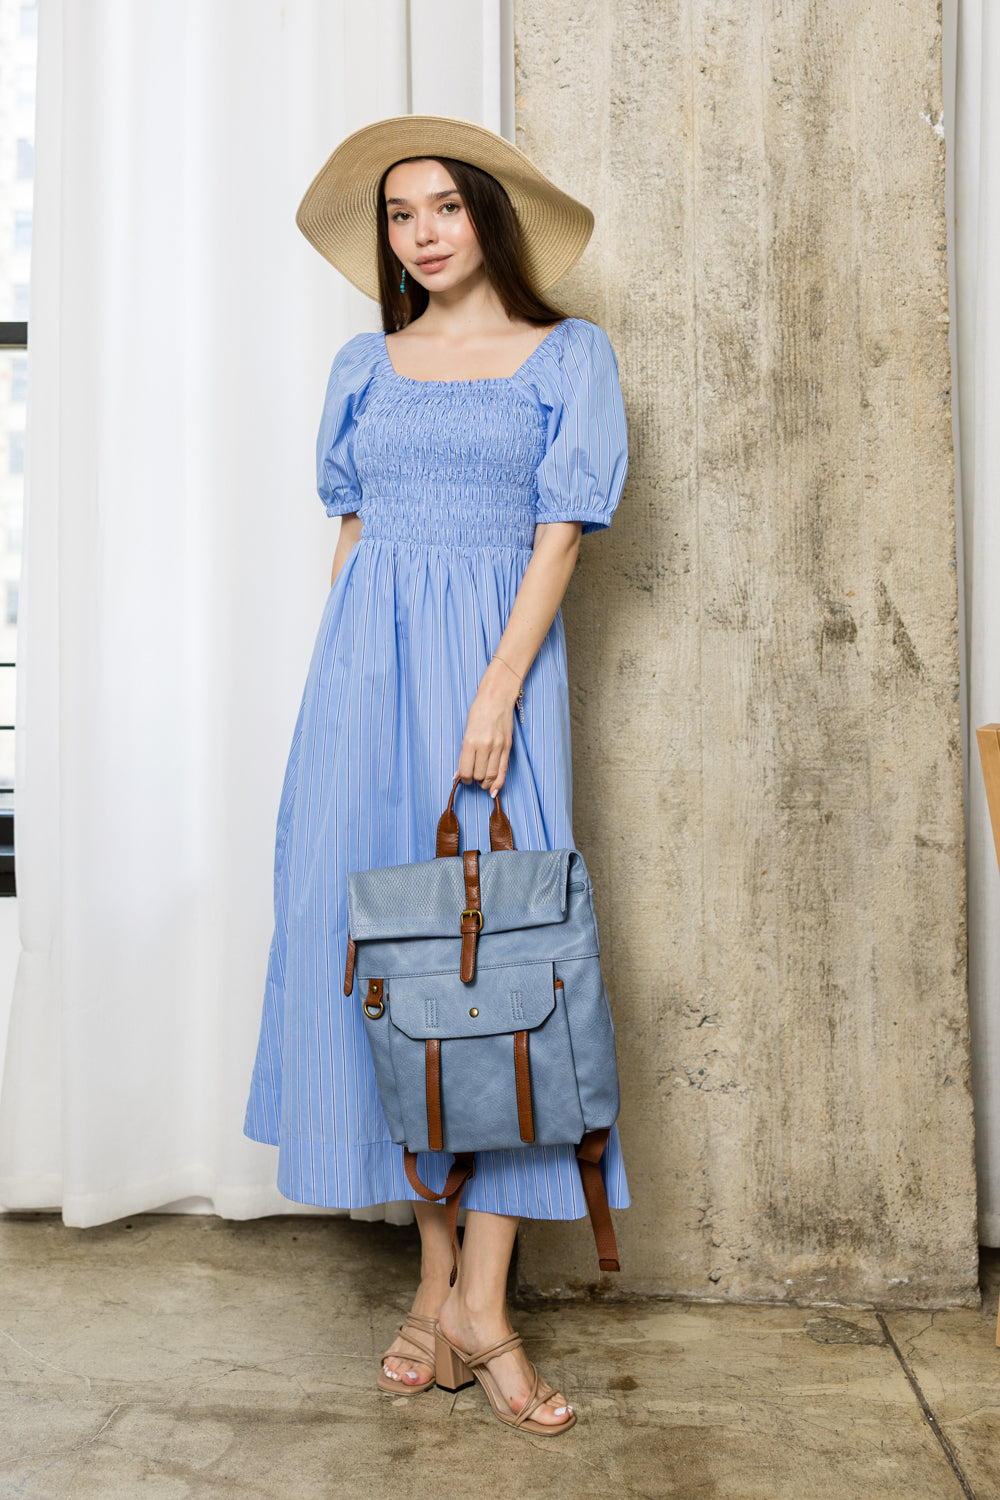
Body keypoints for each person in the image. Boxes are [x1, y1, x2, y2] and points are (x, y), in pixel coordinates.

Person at [244, 116, 629, 1435]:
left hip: (493, 685)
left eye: (446, 208)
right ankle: (434, 1285)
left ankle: (485, 1302)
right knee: (394, 979)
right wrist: (334, 714)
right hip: (363, 691)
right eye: (402, 213)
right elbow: (350, 538)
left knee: (502, 977)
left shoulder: (570, 358)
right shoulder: (368, 361)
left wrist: (496, 698)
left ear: (489, 222)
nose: (421, 230)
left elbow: (562, 536)